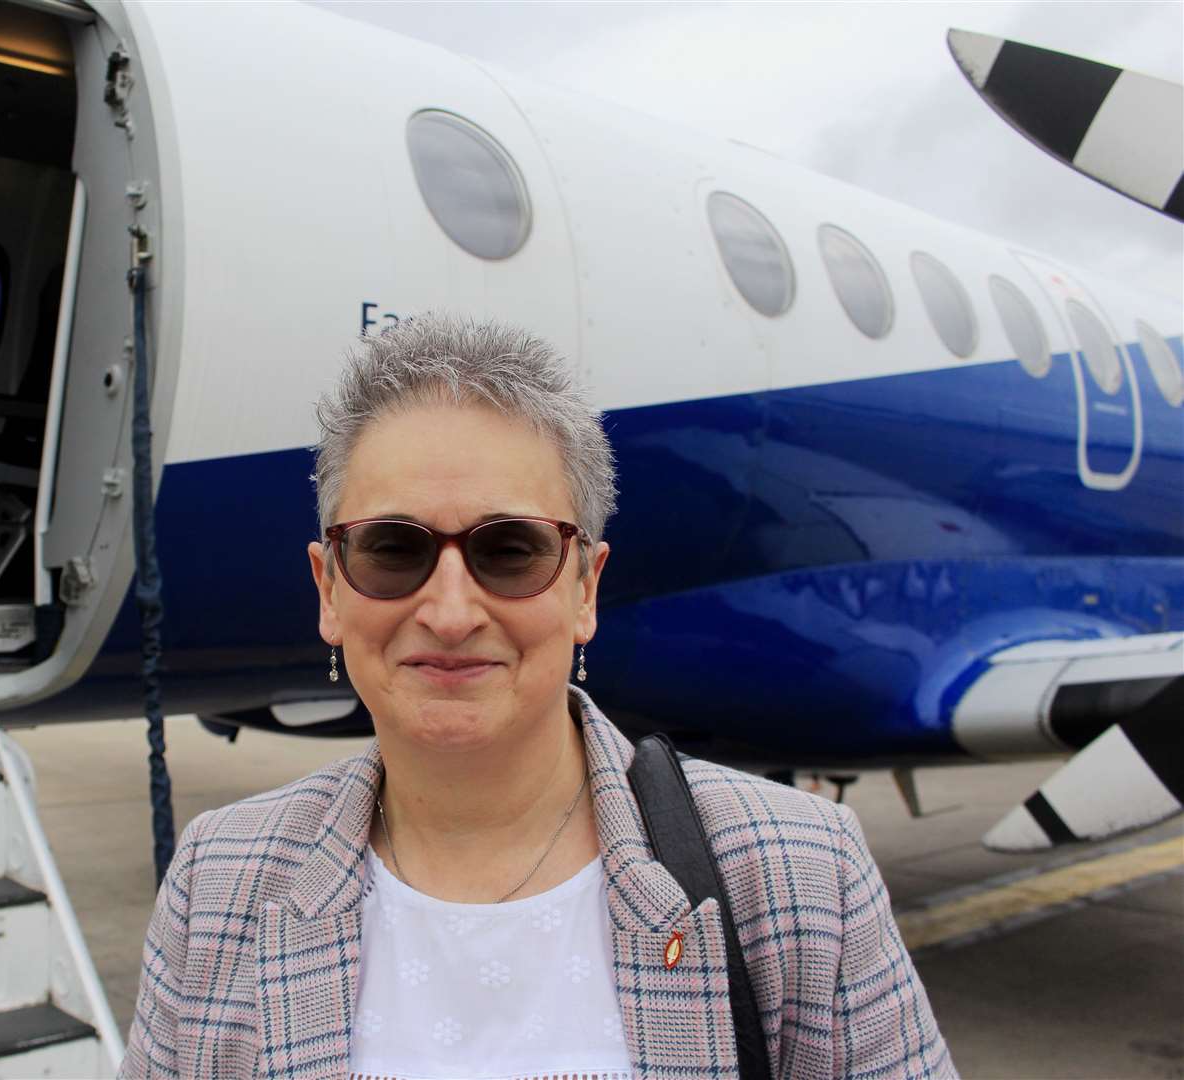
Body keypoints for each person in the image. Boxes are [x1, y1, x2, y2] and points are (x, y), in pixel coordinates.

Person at [121, 315, 953, 1079]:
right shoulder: (214, 884)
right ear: (329, 590)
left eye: (511, 550)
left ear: (586, 588)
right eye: (390, 549)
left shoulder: (804, 878)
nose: (449, 612)